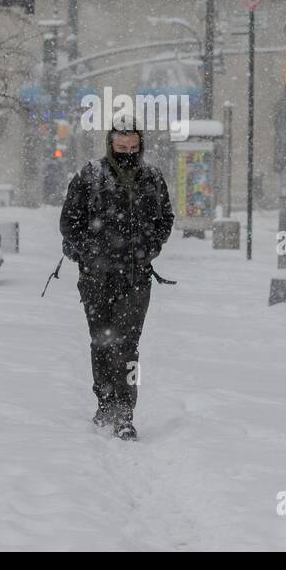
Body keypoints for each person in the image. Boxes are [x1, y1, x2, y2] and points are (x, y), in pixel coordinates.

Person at [59, 112, 174, 441]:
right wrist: (90, 252)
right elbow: (70, 222)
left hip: (136, 278)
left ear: (141, 145)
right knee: (101, 342)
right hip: (96, 278)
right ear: (111, 144)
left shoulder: (151, 178)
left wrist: (149, 248)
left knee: (128, 346)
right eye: (121, 146)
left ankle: (125, 410)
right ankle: (104, 402)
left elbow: (165, 218)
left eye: (133, 146)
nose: (127, 152)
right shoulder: (90, 176)